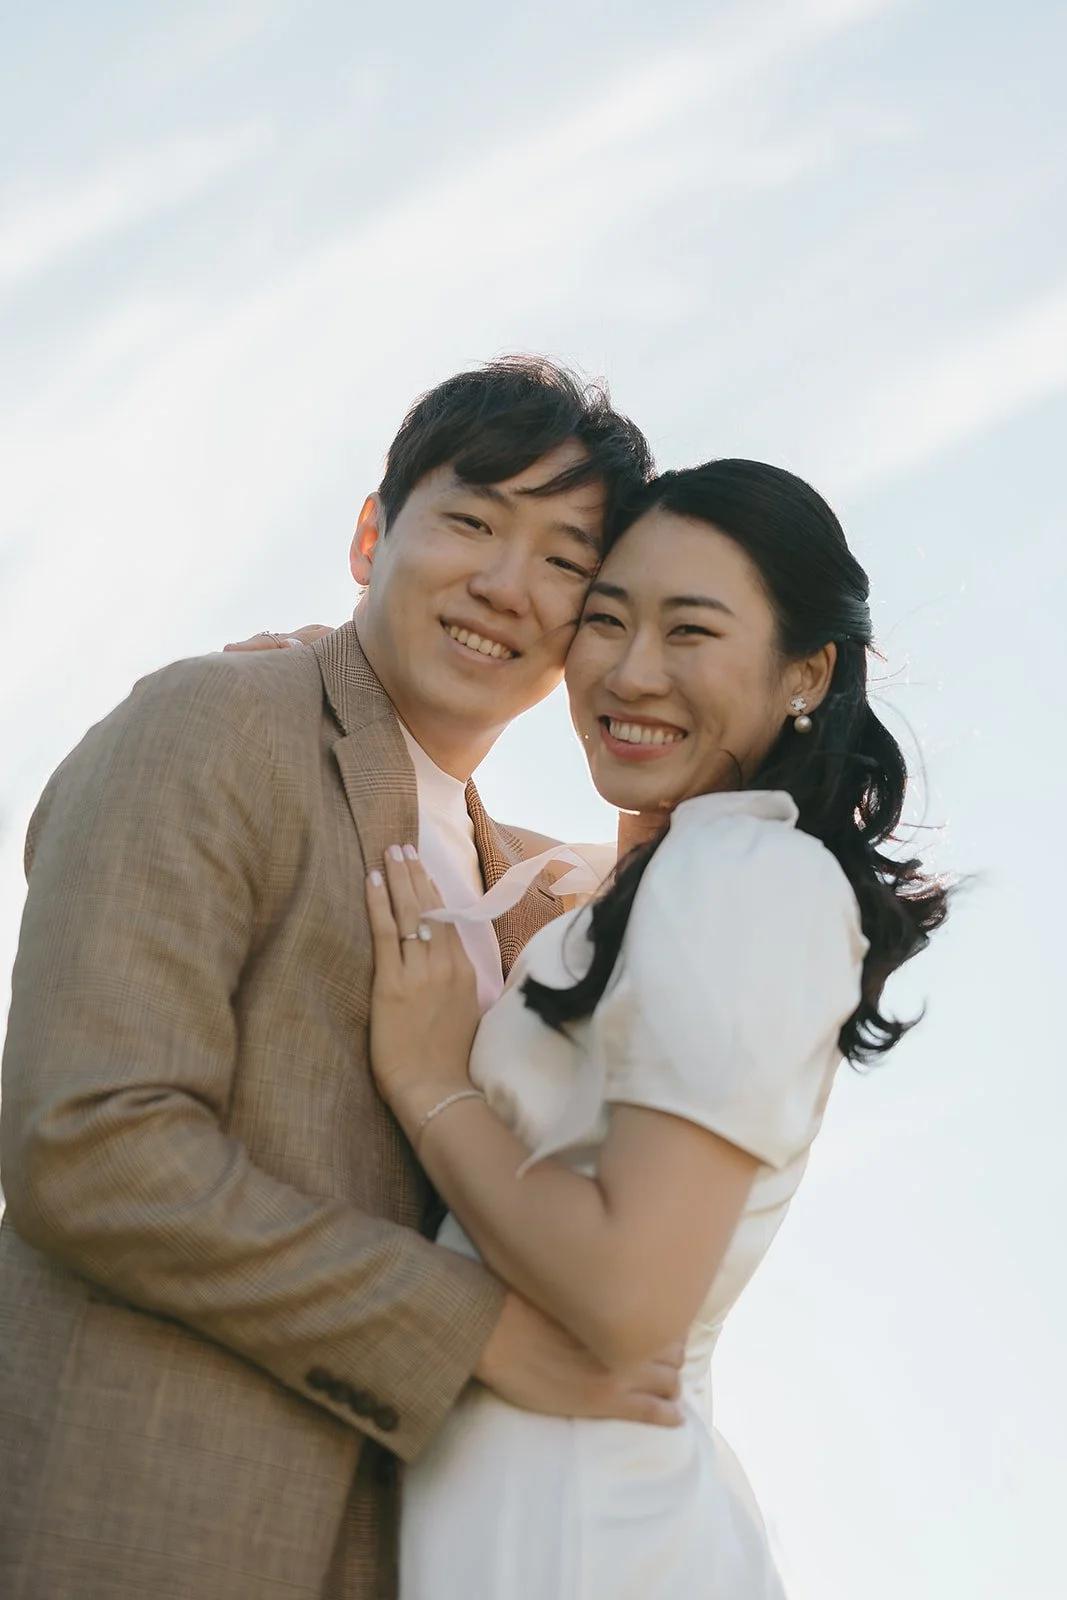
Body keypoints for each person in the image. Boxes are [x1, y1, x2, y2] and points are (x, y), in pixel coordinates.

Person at [0, 358, 690, 1600]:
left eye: (564, 562)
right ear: (372, 536)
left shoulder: (531, 881)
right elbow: (87, 1140)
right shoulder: (213, 721)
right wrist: (473, 1334)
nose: (502, 584)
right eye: (472, 521)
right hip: (150, 1515)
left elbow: (692, 873)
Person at [351, 459, 950, 1597]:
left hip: (582, 1538)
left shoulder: (746, 875)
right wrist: (325, 678)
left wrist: (432, 1087)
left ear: (805, 672)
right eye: (607, 620)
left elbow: (631, 1296)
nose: (629, 672)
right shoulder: (683, 871)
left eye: (690, 632)